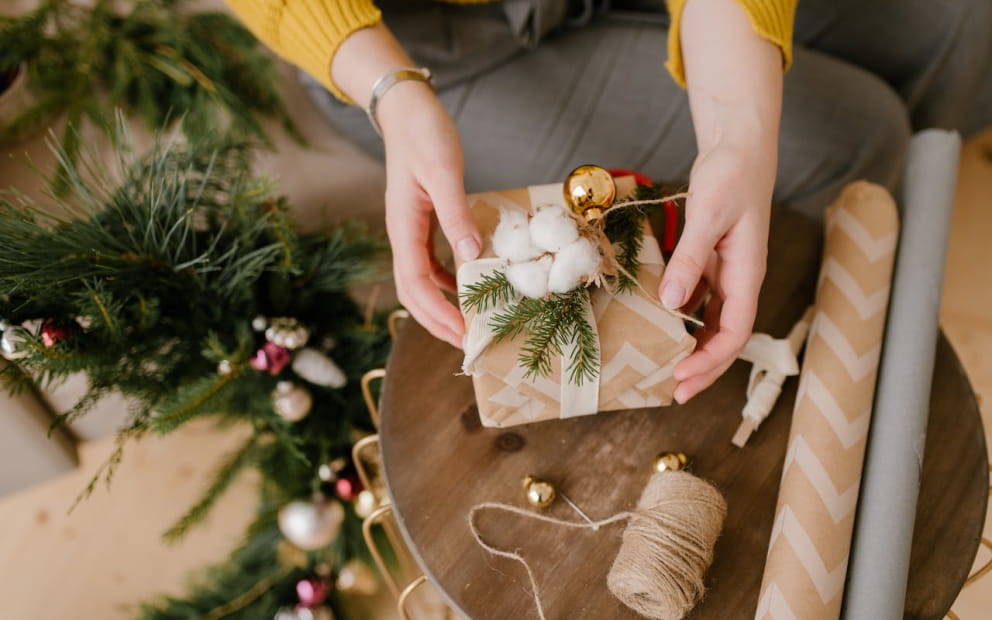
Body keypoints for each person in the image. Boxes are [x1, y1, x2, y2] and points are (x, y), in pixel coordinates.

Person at [226, 0, 992, 403]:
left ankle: (858, 246)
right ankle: (806, 296)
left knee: (959, 21)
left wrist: (741, 126)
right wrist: (392, 94)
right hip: (414, 39)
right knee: (860, 136)